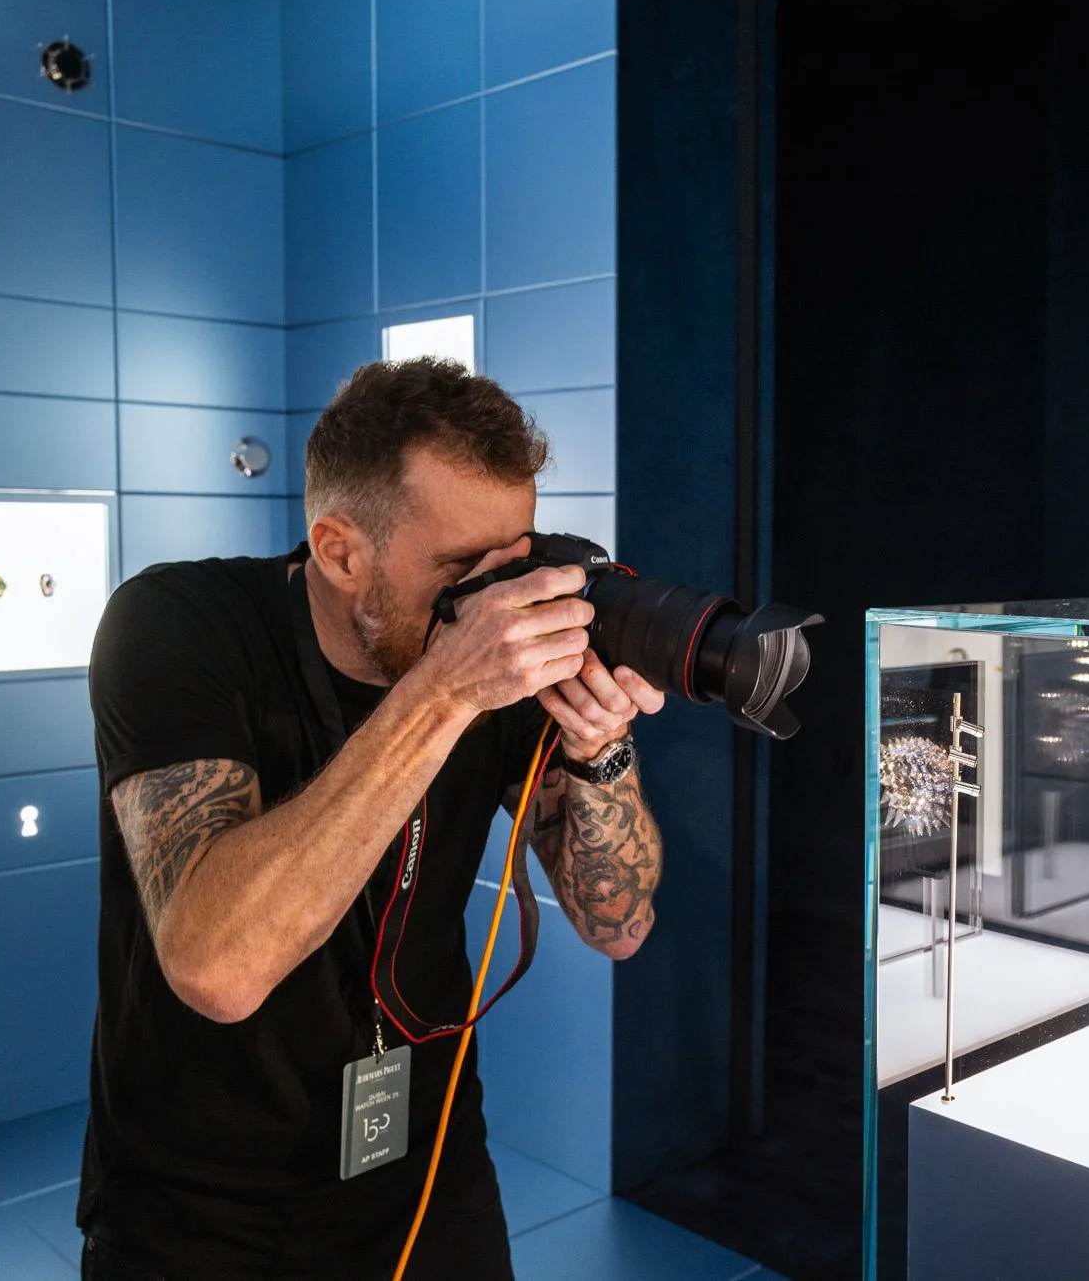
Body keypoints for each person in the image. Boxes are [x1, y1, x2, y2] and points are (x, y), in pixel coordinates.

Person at [75, 357, 665, 1279]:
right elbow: (216, 965)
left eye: (512, 561)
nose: (493, 602)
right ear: (341, 549)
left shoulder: (490, 668)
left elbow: (617, 925)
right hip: (201, 1209)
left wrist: (602, 754)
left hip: (430, 1180)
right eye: (461, 570)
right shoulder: (178, 624)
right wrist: (444, 693)